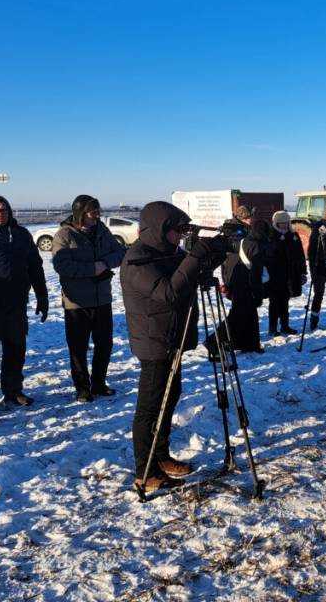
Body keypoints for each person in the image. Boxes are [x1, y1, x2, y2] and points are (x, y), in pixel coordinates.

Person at [121, 201, 225, 493]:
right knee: (150, 406)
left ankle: (161, 456)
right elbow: (168, 292)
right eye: (176, 231)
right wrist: (194, 258)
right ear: (159, 229)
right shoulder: (136, 260)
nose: (180, 237)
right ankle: (145, 471)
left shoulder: (166, 253)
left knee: (170, 398)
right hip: (155, 341)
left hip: (173, 338)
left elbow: (186, 277)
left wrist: (212, 255)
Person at [0, 196, 49, 411]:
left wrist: (42, 296)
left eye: (3, 210)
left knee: (16, 349)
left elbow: (35, 266)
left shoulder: (21, 234)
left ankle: (13, 390)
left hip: (16, 303)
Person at [51, 195, 125, 402]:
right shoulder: (64, 235)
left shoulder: (102, 230)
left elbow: (120, 253)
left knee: (105, 344)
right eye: (93, 212)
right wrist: (92, 269)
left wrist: (104, 263)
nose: (97, 216)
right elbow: (62, 266)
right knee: (78, 347)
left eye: (98, 211)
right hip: (77, 302)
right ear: (81, 214)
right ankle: (82, 387)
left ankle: (99, 383)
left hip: (102, 299)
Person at [219, 207, 268, 353]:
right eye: (247, 218)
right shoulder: (236, 232)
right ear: (241, 218)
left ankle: (249, 344)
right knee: (238, 313)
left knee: (248, 313)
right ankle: (217, 341)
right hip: (240, 278)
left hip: (238, 276)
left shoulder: (242, 232)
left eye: (250, 218)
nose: (250, 220)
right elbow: (231, 259)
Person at [266, 210, 306, 337]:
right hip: (274, 275)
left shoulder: (293, 236)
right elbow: (267, 255)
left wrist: (303, 272)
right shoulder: (270, 236)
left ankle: (285, 326)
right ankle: (272, 328)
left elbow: (300, 255)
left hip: (290, 274)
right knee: (274, 302)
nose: (283, 225)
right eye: (280, 223)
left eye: (285, 223)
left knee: (285, 301)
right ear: (276, 224)